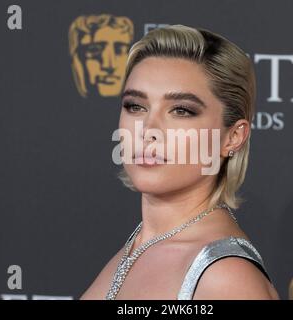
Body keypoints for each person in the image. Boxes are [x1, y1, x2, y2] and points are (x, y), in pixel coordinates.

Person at [81, 24, 279, 300]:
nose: (148, 128)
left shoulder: (226, 278)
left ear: (232, 137)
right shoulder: (139, 246)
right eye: (135, 106)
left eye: (181, 111)